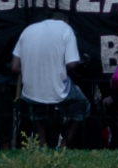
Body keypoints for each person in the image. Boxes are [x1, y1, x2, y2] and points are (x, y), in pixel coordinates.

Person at [11, 12, 90, 147]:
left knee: (38, 115)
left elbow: (14, 67)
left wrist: (34, 70)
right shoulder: (66, 29)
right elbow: (71, 64)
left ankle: (43, 148)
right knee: (82, 107)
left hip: (31, 90)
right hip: (58, 89)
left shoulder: (28, 30)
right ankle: (64, 146)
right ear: (66, 21)